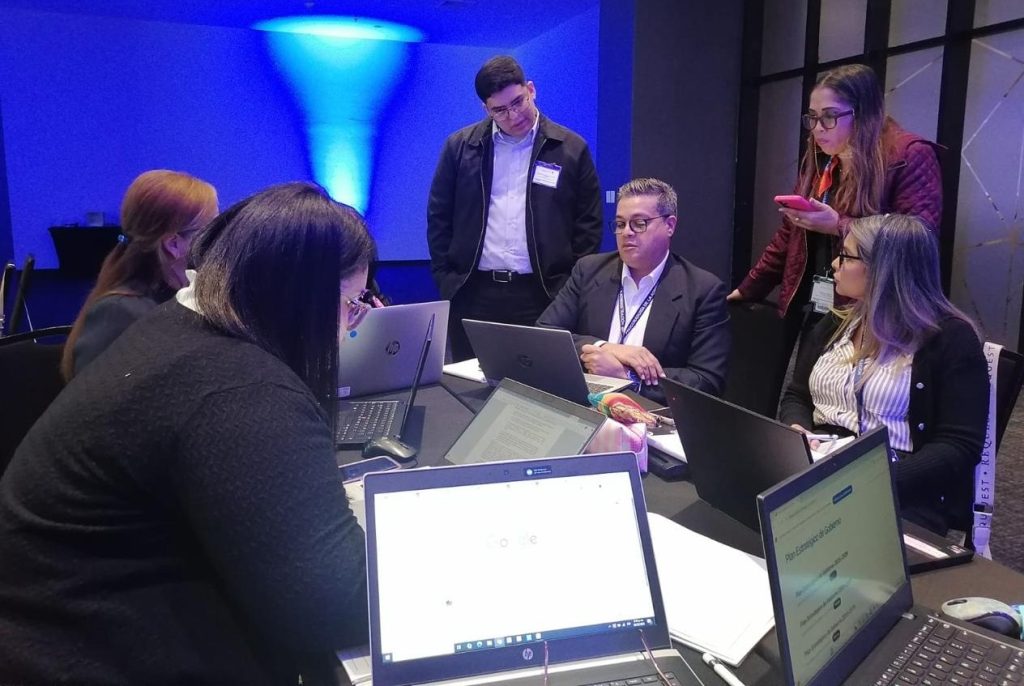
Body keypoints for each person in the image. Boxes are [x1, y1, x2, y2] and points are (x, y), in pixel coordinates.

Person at [0, 183, 374, 684]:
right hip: (86, 653)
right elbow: (331, 604)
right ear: (302, 299)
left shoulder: (181, 328)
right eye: (352, 304)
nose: (350, 327)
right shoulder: (239, 386)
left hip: (58, 624)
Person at [780, 214, 986, 537]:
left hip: (899, 489)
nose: (834, 264)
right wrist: (798, 432)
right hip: (821, 474)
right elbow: (797, 395)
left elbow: (958, 446)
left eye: (846, 256)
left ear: (883, 269)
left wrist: (873, 478)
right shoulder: (837, 323)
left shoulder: (951, 340)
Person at [729, 64, 942, 345]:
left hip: (873, 312)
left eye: (829, 116)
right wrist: (747, 290)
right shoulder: (823, 158)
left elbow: (917, 239)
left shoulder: (908, 155)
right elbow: (789, 235)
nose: (818, 129)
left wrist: (838, 225)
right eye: (813, 117)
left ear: (862, 113)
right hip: (813, 301)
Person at [427, 55, 603, 361]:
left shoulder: (571, 149)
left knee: (541, 383)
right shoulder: (460, 147)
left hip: (544, 295)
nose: (513, 115)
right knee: (470, 383)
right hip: (473, 292)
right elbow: (438, 217)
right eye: (500, 110)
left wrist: (568, 288)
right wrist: (448, 280)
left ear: (531, 89)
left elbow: (588, 225)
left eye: (518, 102)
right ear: (486, 109)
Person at [537, 178, 730, 403]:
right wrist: (608, 348)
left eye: (639, 223)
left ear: (669, 225)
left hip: (651, 414)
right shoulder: (589, 270)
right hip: (584, 404)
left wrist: (627, 377)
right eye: (620, 224)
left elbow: (707, 381)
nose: (627, 232)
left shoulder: (702, 290)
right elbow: (545, 333)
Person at [61, 169, 219, 379]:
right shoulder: (120, 313)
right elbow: (96, 396)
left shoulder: (178, 296)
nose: (219, 240)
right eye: (211, 231)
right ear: (173, 244)